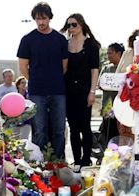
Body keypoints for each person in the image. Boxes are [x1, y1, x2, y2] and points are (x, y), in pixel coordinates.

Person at [17, 2, 68, 159]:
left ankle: (58, 162)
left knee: (59, 128)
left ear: (50, 18)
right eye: (38, 19)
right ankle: (39, 164)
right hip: (37, 91)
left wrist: (53, 79)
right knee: (39, 129)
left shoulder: (60, 39)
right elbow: (23, 66)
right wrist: (36, 80)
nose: (41, 22)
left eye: (44, 18)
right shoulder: (27, 39)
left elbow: (64, 66)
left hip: (58, 90)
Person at [60, 13, 100, 170]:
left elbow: (94, 70)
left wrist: (92, 91)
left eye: (74, 24)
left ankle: (86, 159)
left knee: (85, 126)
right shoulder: (65, 44)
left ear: (82, 25)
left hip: (85, 91)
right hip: (68, 91)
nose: (71, 28)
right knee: (73, 127)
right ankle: (76, 160)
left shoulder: (91, 44)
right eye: (68, 25)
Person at [97, 43, 125, 159]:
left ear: (119, 53)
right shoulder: (106, 68)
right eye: (107, 53)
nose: (108, 55)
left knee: (120, 133)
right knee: (107, 133)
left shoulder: (125, 68)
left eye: (110, 53)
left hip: (122, 107)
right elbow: (100, 84)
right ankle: (108, 157)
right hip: (108, 107)